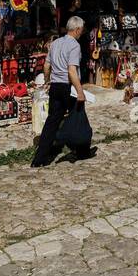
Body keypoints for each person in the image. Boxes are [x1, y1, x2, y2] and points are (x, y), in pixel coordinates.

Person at [31, 15, 95, 167]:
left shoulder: (55, 43)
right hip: (69, 87)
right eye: (81, 29)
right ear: (77, 29)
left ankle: (40, 159)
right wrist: (80, 91)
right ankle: (80, 150)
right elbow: (72, 71)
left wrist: (47, 81)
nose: (82, 32)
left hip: (55, 86)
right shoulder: (74, 46)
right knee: (78, 119)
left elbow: (46, 66)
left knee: (52, 121)